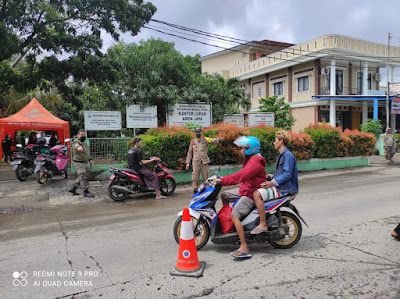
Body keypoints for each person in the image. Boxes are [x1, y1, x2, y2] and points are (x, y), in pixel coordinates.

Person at [211, 136, 266, 259]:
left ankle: (244, 246)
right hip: (246, 188)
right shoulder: (251, 159)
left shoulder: (255, 162)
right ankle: (228, 224)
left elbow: (240, 176)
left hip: (251, 193)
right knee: (224, 195)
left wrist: (222, 180)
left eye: (242, 148)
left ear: (250, 149)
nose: (240, 151)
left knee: (235, 215)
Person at [251, 130, 299, 235]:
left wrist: (272, 182)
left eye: (275, 140)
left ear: (281, 141)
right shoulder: (282, 155)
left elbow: (287, 174)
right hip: (282, 186)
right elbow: (281, 174)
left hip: (285, 188)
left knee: (257, 194)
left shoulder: (288, 156)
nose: (274, 142)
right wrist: (269, 176)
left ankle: (263, 223)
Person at [186, 127, 223, 194]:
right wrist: (188, 162)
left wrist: (219, 140)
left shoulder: (205, 140)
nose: (198, 133)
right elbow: (189, 152)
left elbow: (212, 140)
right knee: (195, 177)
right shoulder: (193, 142)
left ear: (201, 132)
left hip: (204, 162)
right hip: (196, 162)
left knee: (206, 177)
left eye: (199, 132)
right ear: (195, 133)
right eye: (196, 132)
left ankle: (207, 191)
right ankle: (195, 190)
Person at [69, 129, 94, 198]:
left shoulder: (84, 142)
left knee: (81, 176)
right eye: (81, 135)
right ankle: (86, 191)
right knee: (83, 177)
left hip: (84, 162)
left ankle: (73, 188)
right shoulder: (75, 142)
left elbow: (87, 152)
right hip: (78, 163)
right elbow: (76, 146)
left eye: (84, 135)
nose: (83, 136)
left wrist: (90, 159)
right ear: (78, 135)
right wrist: (79, 147)